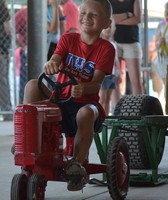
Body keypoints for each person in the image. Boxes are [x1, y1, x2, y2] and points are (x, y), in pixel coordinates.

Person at [23, 0, 114, 191]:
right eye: (83, 12)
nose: (87, 17)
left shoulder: (106, 48)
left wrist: (84, 87)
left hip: (86, 105)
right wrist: (52, 63)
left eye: (94, 15)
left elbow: (97, 83)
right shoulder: (68, 39)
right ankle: (27, 142)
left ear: (106, 23)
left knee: (85, 113)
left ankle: (77, 164)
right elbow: (56, 57)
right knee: (32, 86)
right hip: (61, 102)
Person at [109, 0, 143, 95]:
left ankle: (139, 107)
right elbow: (109, 18)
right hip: (114, 42)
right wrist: (127, 15)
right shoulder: (109, 1)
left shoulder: (135, 0)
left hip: (131, 41)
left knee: (136, 80)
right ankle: (116, 108)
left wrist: (117, 22)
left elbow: (137, 19)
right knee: (114, 79)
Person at [99, 18, 121, 116]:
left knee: (108, 99)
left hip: (112, 75)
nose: (108, 29)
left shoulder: (114, 44)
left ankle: (106, 118)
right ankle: (99, 120)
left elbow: (116, 60)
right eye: (106, 27)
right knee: (102, 98)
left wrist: (119, 73)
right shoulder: (99, 43)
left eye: (110, 27)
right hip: (103, 75)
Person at [0, 0, 12, 121]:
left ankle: (6, 110)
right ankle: (6, 110)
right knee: (3, 80)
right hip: (2, 49)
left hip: (2, 48)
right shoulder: (2, 7)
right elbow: (8, 28)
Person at [15, 7, 27, 104]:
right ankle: (22, 105)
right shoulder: (22, 13)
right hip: (26, 51)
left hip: (48, 49)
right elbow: (11, 30)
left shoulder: (49, 10)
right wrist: (23, 46)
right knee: (24, 81)